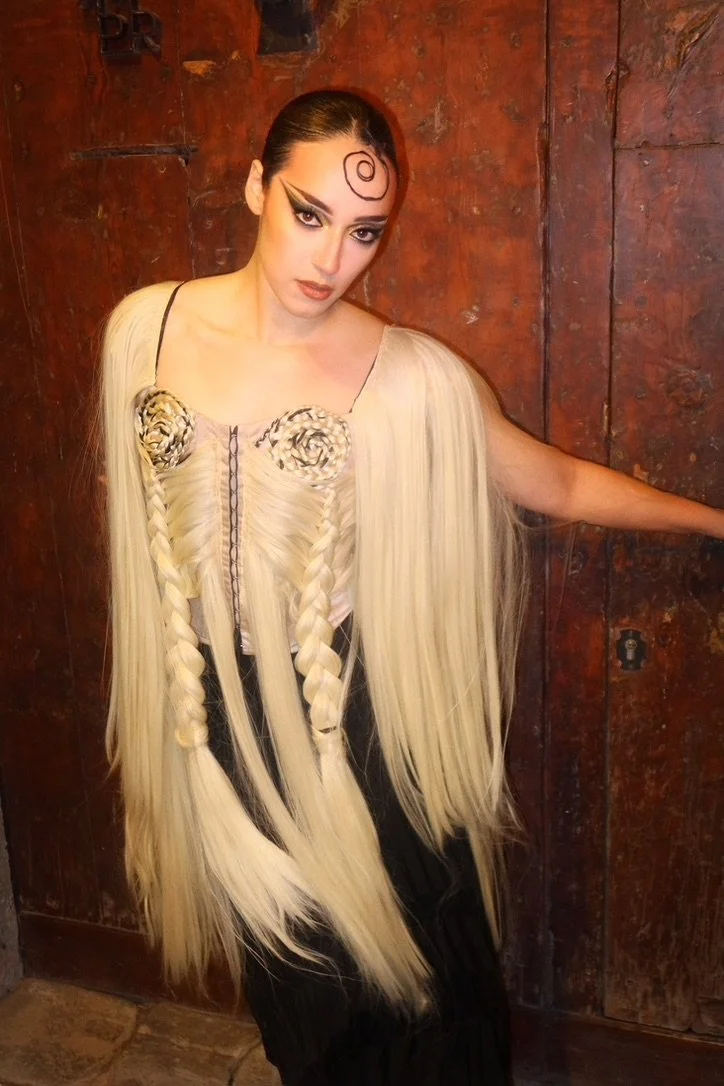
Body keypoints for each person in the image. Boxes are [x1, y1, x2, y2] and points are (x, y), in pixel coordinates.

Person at [101, 89, 724, 1085]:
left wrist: (711, 522)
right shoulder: (146, 330)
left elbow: (554, 481)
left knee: (419, 968)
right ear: (257, 185)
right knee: (293, 971)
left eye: (363, 233)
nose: (329, 259)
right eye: (309, 213)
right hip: (209, 710)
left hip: (356, 723)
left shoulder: (409, 378)